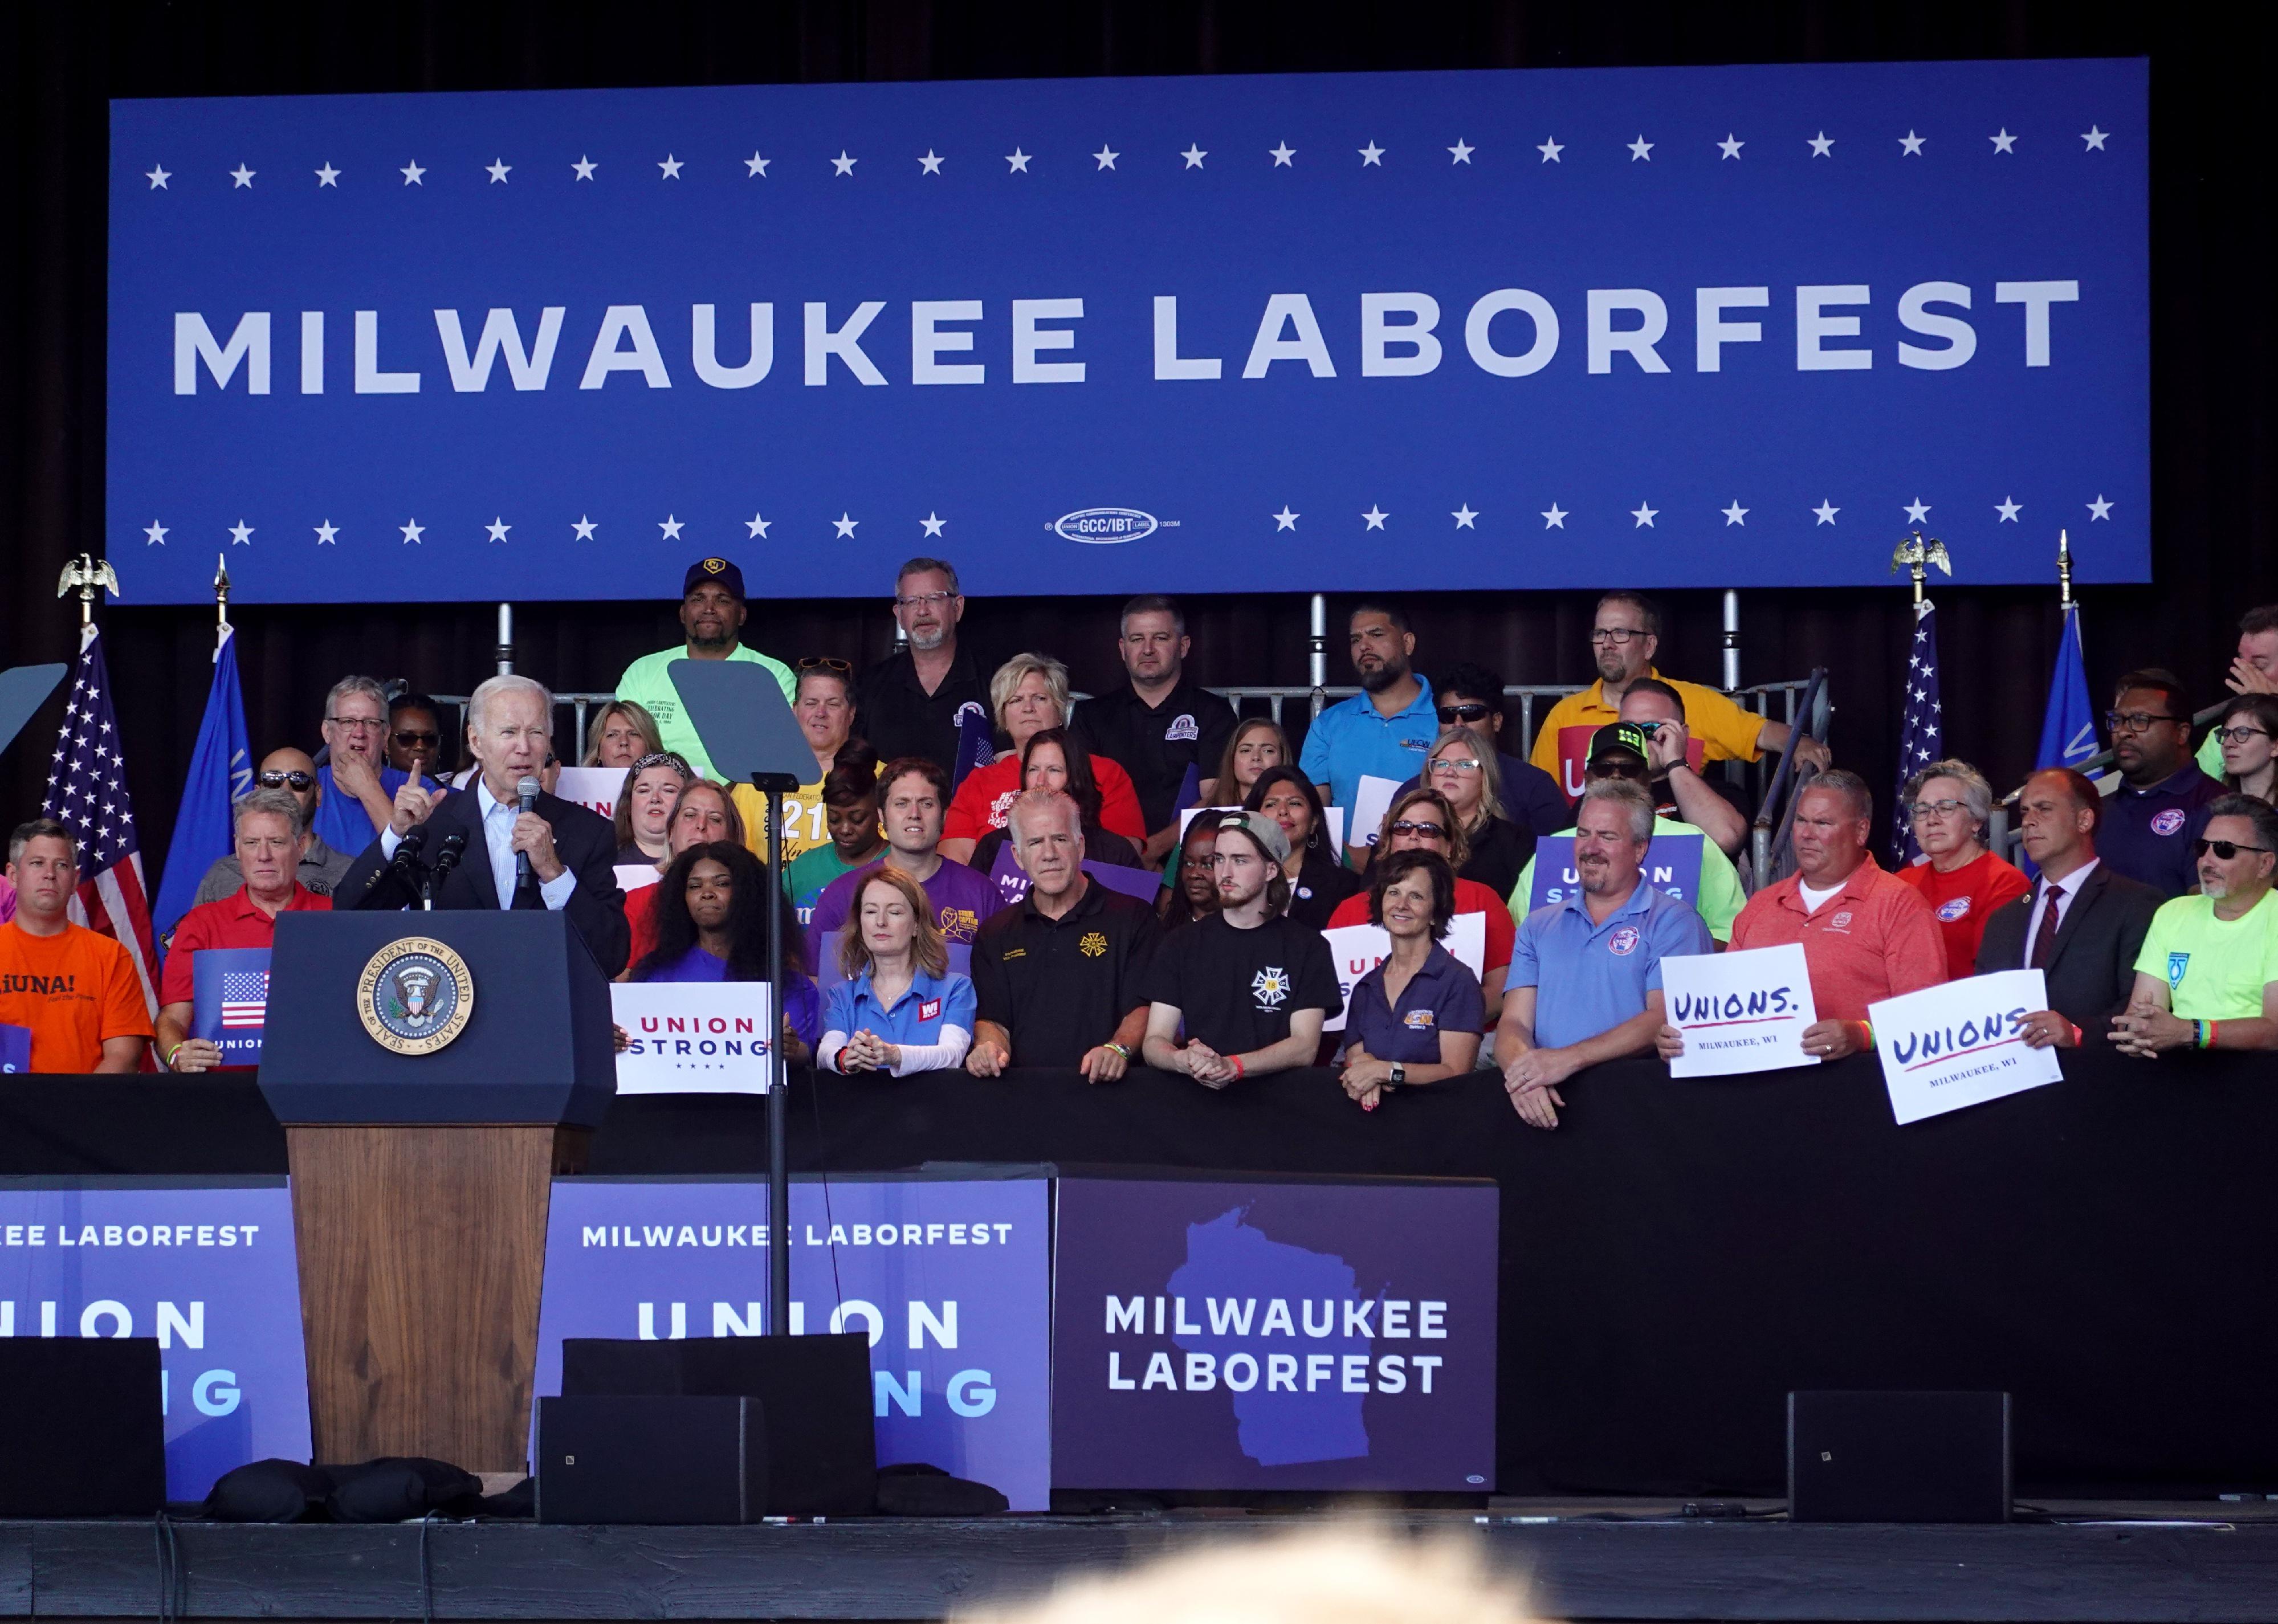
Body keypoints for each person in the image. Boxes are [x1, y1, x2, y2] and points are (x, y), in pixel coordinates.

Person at [339, 674, 631, 976]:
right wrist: (396, 835)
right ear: (476, 742)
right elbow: (349, 913)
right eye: (508, 732)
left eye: (536, 732)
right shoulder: (435, 822)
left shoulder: (588, 831)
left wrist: (554, 874)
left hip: (545, 1012)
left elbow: (611, 955)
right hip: (452, 1012)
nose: (524, 747)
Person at [1660, 772, 1944, 1065]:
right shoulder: (1761, 906)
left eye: (1822, 823)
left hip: (1859, 1088)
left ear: (1861, 831)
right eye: (1800, 820)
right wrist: (1685, 1038)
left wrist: (1862, 1036)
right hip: (1763, 1090)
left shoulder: (1900, 904)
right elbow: (1724, 1006)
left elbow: (1927, 1016)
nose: (1807, 834)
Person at [1501, 780, 1713, 1128]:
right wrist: (1522, 1076)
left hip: (1637, 1108)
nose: (1590, 848)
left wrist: (1568, 1059)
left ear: (1641, 849)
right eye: (1583, 834)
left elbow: (1664, 1017)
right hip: (1546, 1106)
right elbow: (1515, 1022)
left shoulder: (1675, 922)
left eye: (1608, 837)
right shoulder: (1538, 925)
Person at [1529, 591, 1807, 800]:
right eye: (1600, 633)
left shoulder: (1690, 701)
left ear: (1649, 646)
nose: (1607, 644)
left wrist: (1800, 744)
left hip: (1674, 853)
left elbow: (1761, 732)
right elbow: (1540, 796)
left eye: (1621, 633)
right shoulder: (1564, 714)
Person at [967, 791, 1160, 1080]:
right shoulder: (995, 933)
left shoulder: (1134, 917)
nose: (1049, 854)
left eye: (1059, 839)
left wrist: (1117, 1049)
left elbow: (1145, 1006)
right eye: (1035, 843)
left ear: (1080, 846)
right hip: (1023, 1099)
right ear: (1018, 857)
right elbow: (993, 1019)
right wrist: (989, 1047)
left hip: (1113, 1098)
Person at [1140, 811, 1339, 1086]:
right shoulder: (1180, 943)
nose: (1226, 872)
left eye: (1240, 860)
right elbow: (1154, 1042)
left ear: (1271, 870)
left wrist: (1234, 1066)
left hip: (1281, 1112)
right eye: (1219, 859)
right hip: (1199, 1107)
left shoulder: (1308, 947)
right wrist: (1182, 1060)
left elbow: (1305, 1047)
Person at [1506, 723, 1750, 944]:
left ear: (1648, 779)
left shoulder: (1693, 842)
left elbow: (1731, 934)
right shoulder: (1555, 848)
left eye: (1629, 769)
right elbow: (1519, 936)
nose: (1616, 776)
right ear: (1586, 777)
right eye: (1603, 768)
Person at [1976, 768, 2163, 1046]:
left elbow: (2141, 1007)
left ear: (2084, 820)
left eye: (2044, 809)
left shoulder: (2136, 904)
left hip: (2098, 1078)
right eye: (2025, 812)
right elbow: (1983, 1007)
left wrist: (2078, 1033)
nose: (2029, 822)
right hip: (2017, 1083)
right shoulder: (2004, 919)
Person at [156, 789, 331, 1072]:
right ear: (238, 849)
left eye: (276, 842)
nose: (263, 855)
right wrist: (178, 1054)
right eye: (252, 843)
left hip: (314, 1087)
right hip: (227, 1096)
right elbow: (173, 1019)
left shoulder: (334, 917)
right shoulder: (201, 924)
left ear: (300, 846)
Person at [1326, 786, 1514, 1028]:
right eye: (1403, 828)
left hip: (1465, 1039)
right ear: (1388, 842)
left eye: (1428, 830)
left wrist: (1436, 1028)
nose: (1414, 836)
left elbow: (1502, 992)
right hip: (1368, 1044)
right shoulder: (1349, 910)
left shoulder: (1482, 898)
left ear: (1450, 846)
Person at [1071, 595, 1237, 865]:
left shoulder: (1213, 713)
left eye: (1160, 638)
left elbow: (1216, 797)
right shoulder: (1090, 716)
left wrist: (1152, 852)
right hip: (1106, 862)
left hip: (1190, 863)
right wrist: (1123, 856)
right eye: (1137, 639)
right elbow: (1080, 798)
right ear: (1123, 648)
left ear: (1183, 646)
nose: (1147, 649)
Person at [620, 840, 819, 1063]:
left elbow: (805, 1053)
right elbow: (634, 1048)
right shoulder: (654, 975)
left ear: (748, 893)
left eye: (722, 883)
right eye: (695, 886)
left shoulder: (789, 985)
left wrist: (791, 1049)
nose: (707, 893)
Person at [2113, 795, 2278, 1055]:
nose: (2206, 861)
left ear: (2264, 864)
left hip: (2258, 1077)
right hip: (2180, 1070)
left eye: (2224, 850)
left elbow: (2274, 1030)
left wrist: (2190, 1032)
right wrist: (2138, 1032)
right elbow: (2143, 1009)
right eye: (2203, 848)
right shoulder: (2174, 912)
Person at [940, 654, 1145, 862]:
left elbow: (1123, 858)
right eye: (1016, 700)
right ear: (1004, 717)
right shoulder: (979, 782)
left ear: (1060, 711)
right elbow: (956, 864)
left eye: (1040, 698)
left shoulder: (1106, 772)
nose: (1028, 708)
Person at [613, 557, 796, 784]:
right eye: (698, 599)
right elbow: (621, 753)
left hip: (744, 804)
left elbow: (778, 754)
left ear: (742, 615)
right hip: (661, 802)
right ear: (682, 613)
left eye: (722, 600)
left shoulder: (774, 674)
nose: (709, 609)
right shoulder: (643, 672)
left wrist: (722, 799)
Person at [805, 758, 1002, 964]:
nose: (914, 814)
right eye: (902, 804)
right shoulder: (843, 894)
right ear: (882, 815)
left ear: (944, 816)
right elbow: (816, 979)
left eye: (926, 804)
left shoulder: (982, 893)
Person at [1335, 850, 1484, 1111]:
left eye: (1416, 896)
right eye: (1394, 892)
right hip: (1372, 1127)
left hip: (1434, 1127)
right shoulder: (1367, 986)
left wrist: (1387, 1071)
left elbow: (1457, 1072)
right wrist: (1365, 1069)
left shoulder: (1458, 980)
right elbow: (1355, 1060)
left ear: (1436, 910)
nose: (1401, 904)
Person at [0, 820, 152, 1072]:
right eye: (37, 863)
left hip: (84, 1107)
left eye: (61, 865)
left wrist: (77, 1109)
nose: (50, 873)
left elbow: (122, 1057)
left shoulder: (111, 956)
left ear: (74, 880)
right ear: (13, 876)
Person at [1298, 602, 1438, 839]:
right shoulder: (1329, 724)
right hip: (1345, 869)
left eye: (1376, 635)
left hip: (1426, 864)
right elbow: (1313, 811)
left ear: (1408, 643)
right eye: (1355, 640)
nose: (1364, 646)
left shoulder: (1446, 718)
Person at [819, 867, 976, 1074]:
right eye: (871, 911)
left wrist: (894, 1055)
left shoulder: (956, 988)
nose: (881, 922)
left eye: (894, 912)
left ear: (917, 926)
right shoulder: (841, 994)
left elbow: (952, 1055)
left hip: (934, 1105)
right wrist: (846, 1057)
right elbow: (825, 1053)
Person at [1392, 661, 1568, 837]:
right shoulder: (1412, 791)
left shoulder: (1534, 786)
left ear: (1497, 721)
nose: (1458, 724)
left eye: (1471, 714)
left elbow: (1556, 858)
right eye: (1448, 716)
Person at [1893, 759, 2031, 980]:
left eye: (1946, 808)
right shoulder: (1901, 883)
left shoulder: (2004, 882)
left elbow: (1994, 978)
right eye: (1921, 810)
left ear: (1976, 821)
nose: (1931, 820)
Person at [853, 557, 989, 774]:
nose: (923, 611)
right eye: (912, 601)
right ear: (900, 615)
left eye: (934, 599)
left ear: (958, 607)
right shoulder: (869, 687)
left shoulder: (995, 682)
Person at [2100, 669, 2225, 898]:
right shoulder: (2096, 811)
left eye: (2140, 720)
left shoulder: (2218, 809)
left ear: (2182, 733)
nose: (2124, 732)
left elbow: (2209, 911)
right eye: (2117, 721)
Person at [732, 659, 865, 869]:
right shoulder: (757, 780)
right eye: (811, 703)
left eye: (832, 704)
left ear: (851, 714)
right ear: (795, 711)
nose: (821, 713)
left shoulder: (877, 779)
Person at [968, 729, 1144, 876]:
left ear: (1077, 779)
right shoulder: (993, 846)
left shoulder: (1115, 852)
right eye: (1033, 770)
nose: (1041, 781)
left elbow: (1139, 916)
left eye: (1054, 770)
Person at [1616, 678, 1758, 856]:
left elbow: (1725, 838)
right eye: (1629, 729)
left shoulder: (1720, 792)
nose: (1639, 739)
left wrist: (1674, 762)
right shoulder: (1601, 795)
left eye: (1651, 729)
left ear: (1682, 734)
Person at [193, 748, 353, 903]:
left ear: (318, 795)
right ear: (257, 793)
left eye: (298, 781)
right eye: (272, 780)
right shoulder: (223, 873)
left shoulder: (349, 872)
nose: (285, 791)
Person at [310, 675, 441, 855]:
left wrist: (367, 788)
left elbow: (412, 864)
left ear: (386, 734)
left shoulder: (419, 788)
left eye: (371, 723)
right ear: (327, 732)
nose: (359, 733)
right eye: (347, 722)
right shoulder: (305, 787)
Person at [624, 778, 745, 964]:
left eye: (715, 819)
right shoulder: (635, 905)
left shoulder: (755, 907)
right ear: (671, 831)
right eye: (690, 816)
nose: (701, 825)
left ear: (732, 837)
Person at [1418, 725, 1535, 900]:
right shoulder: (1402, 832)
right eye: (1441, 764)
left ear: (1485, 776)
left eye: (1464, 765)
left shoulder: (1516, 842)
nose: (1450, 772)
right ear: (1430, 776)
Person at [1245, 766, 1361, 929]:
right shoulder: (1235, 882)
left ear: (1314, 822)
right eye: (1271, 804)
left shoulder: (1344, 886)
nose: (1283, 811)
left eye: (1294, 803)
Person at [785, 757, 886, 925]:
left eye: (858, 819)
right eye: (834, 819)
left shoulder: (900, 866)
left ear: (880, 813)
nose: (845, 829)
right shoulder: (802, 869)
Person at [2194, 605, 2278, 778]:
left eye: (2258, 666)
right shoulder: (2222, 737)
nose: (2244, 675)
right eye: (2241, 663)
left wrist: (2272, 706)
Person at [611, 752, 691, 866]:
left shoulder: (703, 863)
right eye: (644, 791)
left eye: (668, 790)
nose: (655, 799)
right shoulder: (605, 864)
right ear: (628, 805)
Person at [1159, 818, 1222, 929]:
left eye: (1207, 865)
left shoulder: (1246, 933)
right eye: (1188, 863)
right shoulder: (1168, 930)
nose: (1194, 874)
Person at [2214, 694, 2278, 804]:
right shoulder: (2212, 809)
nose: (2227, 743)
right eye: (2226, 734)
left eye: (2243, 733)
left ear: (2276, 747)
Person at [1215, 717, 1291, 808]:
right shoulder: (1203, 810)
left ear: (1282, 758)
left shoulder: (1293, 812)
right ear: (1232, 758)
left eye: (1268, 751)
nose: (1256, 757)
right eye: (1246, 750)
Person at [581, 699, 663, 769]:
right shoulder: (580, 788)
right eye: (612, 735)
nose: (624, 742)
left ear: (649, 748)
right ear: (598, 752)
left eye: (634, 734)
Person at [384, 693, 444, 781]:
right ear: (386, 744)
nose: (420, 747)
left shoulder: (456, 795)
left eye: (430, 739)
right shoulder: (367, 793)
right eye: (407, 738)